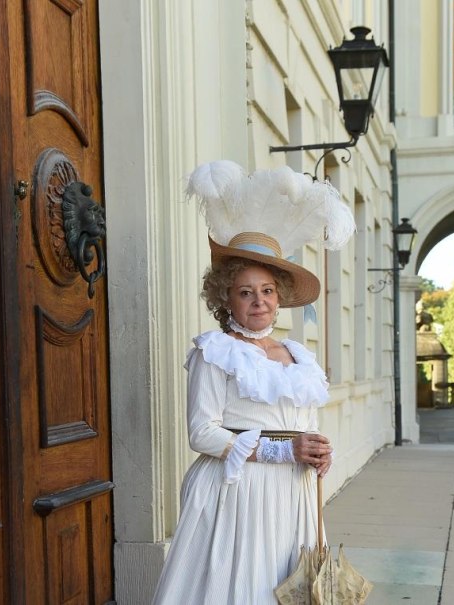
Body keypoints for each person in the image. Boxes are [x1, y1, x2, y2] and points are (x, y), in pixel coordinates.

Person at [152, 161, 355, 604]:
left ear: (279, 295)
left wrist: (319, 452)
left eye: (266, 290)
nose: (258, 301)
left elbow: (304, 427)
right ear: (225, 297)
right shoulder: (215, 351)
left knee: (291, 587)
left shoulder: (298, 356)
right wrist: (284, 450)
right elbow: (201, 433)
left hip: (293, 494)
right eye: (245, 292)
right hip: (240, 493)